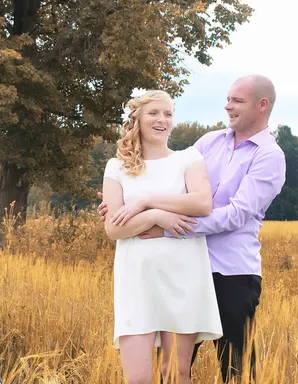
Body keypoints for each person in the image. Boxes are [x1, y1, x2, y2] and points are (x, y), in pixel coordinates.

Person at [98, 75, 286, 383]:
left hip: (231, 272)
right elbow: (169, 179)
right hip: (187, 267)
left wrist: (164, 225)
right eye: (228, 98)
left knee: (236, 367)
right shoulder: (209, 143)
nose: (227, 106)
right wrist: (121, 204)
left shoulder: (269, 156)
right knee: (172, 372)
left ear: (261, 105)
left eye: (236, 101)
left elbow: (235, 214)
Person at [102, 89, 223, 384]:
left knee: (176, 374)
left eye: (168, 113)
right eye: (154, 113)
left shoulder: (188, 159)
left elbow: (201, 203)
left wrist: (144, 202)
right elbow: (115, 229)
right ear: (137, 120)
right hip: (137, 280)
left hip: (182, 277)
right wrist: (157, 217)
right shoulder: (116, 167)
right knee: (138, 378)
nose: (162, 120)